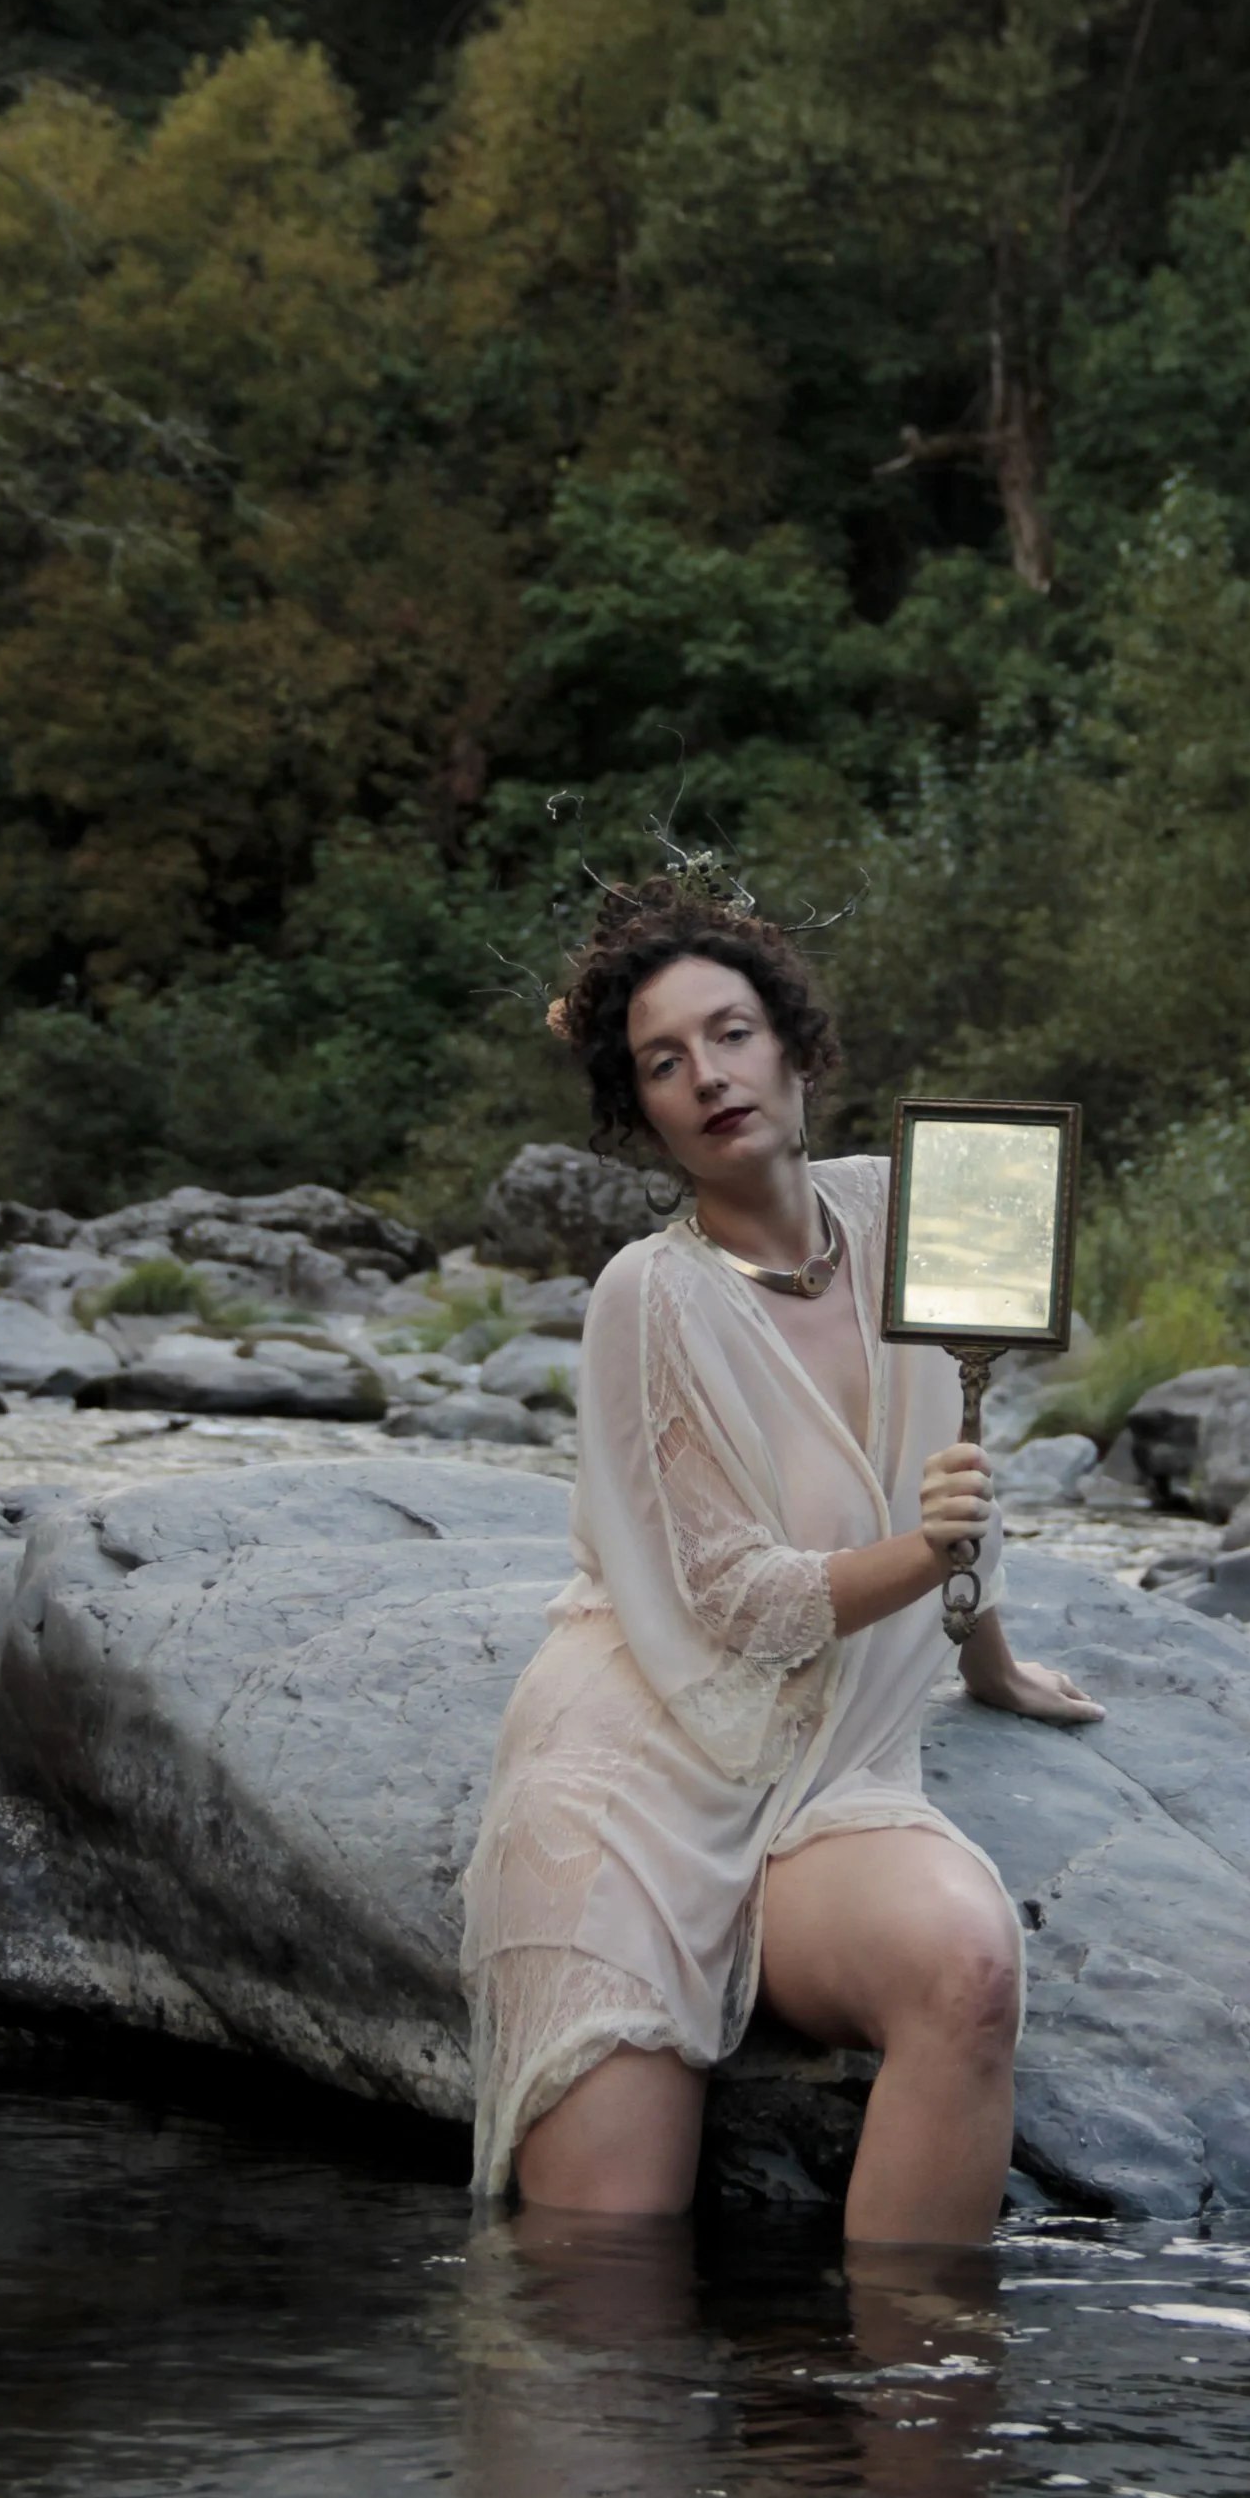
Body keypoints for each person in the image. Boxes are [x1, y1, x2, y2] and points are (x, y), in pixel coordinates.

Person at [459, 879, 1103, 2245]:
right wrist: (925, 1556)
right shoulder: (649, 1294)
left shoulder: (914, 1214)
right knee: (606, 2273)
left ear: (798, 1047)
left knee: (969, 1966)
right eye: (664, 1061)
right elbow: (741, 1602)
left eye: (733, 1032)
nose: (710, 1075)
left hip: (830, 1776)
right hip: (644, 1776)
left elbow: (961, 1449)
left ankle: (905, 2417)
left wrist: (985, 1653)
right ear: (644, 1116)